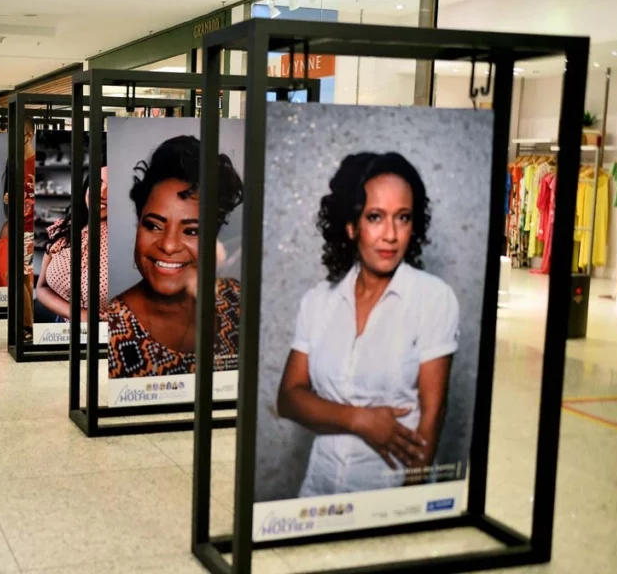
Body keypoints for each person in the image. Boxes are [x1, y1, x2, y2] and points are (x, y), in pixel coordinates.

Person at [275, 152, 460, 497]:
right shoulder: (318, 302)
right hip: (318, 489)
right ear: (351, 225)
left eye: (402, 218)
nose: (391, 234)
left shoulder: (433, 298)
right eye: (375, 217)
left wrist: (407, 504)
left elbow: (433, 418)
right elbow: (289, 398)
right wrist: (362, 420)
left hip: (390, 492)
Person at [106, 135, 243, 378]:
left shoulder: (237, 300)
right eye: (154, 226)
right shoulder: (110, 325)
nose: (168, 246)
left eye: (191, 231)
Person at [36, 166, 108, 322]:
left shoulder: (128, 239)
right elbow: (42, 288)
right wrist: (80, 315)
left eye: (112, 188)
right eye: (97, 183)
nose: (101, 193)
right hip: (62, 331)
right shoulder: (65, 230)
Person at [3, 119, 37, 341]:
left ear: (31, 133)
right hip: (17, 224)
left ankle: (29, 325)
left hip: (34, 227)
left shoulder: (38, 162)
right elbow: (7, 193)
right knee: (22, 277)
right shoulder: (13, 161)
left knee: (21, 275)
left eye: (23, 133)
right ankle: (27, 324)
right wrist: (8, 199)